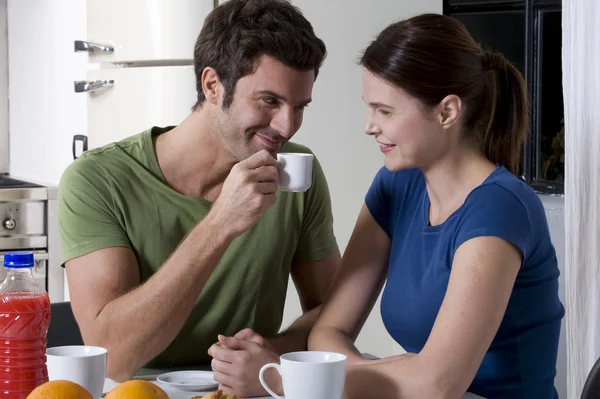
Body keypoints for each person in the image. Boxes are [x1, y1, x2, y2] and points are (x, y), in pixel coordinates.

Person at [58, 1, 340, 397]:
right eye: (269, 101)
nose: (286, 126)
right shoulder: (97, 180)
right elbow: (114, 356)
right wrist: (220, 224)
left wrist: (268, 356)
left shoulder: (297, 172)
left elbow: (335, 315)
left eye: (300, 106)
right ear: (212, 86)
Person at [308, 13, 564, 399]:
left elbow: (438, 384)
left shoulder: (499, 208)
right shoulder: (396, 185)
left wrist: (308, 379)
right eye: (370, 107)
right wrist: (392, 370)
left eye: (385, 111)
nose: (369, 125)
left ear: (447, 112)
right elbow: (327, 333)